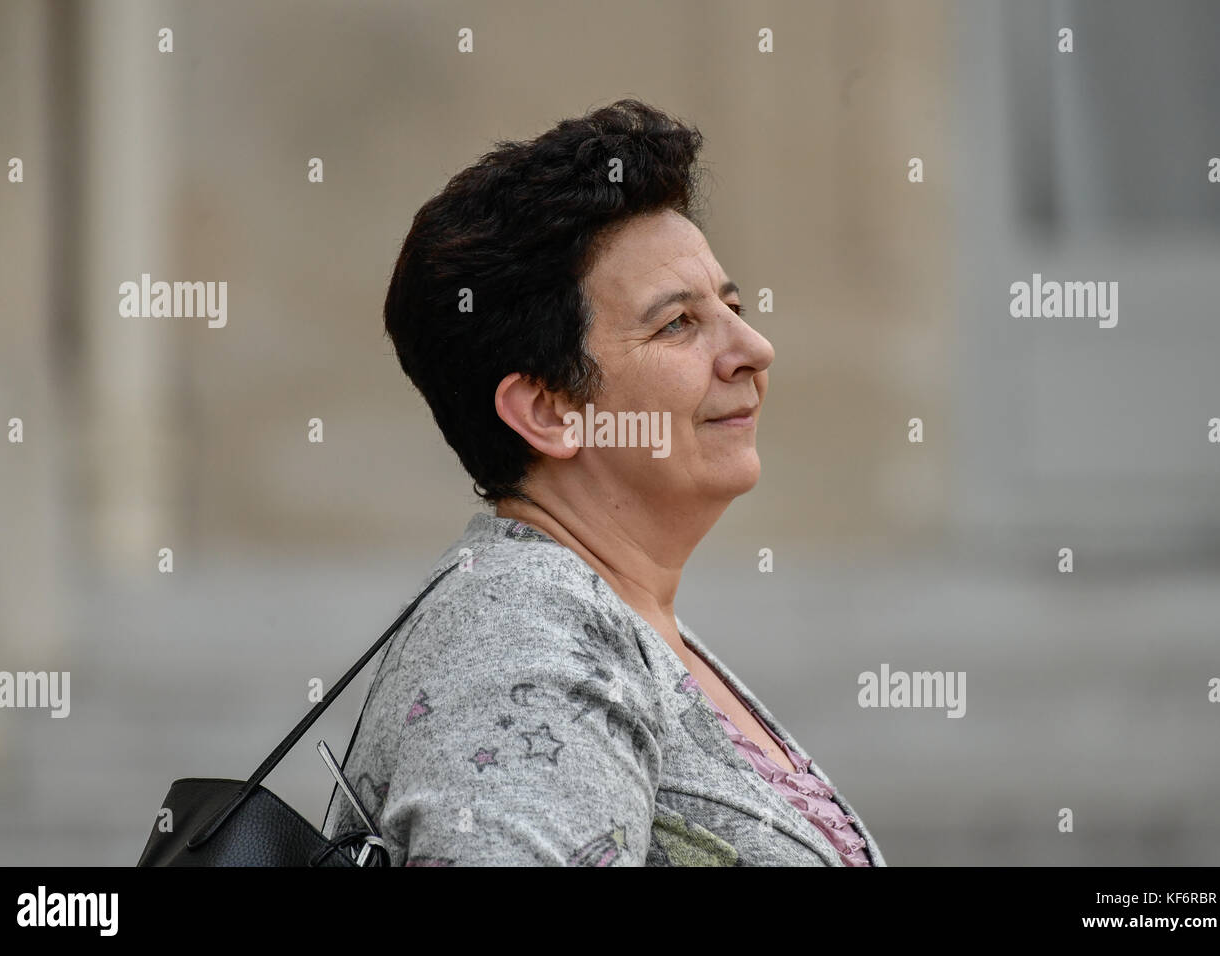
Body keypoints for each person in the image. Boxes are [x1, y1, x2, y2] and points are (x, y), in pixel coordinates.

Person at [323, 99, 886, 866]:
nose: (754, 347)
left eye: (732, 306)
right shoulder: (523, 647)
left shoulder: (604, 617)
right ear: (551, 411)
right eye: (678, 324)